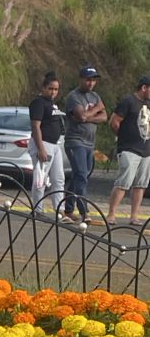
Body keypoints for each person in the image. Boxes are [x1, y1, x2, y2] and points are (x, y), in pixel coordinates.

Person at [63, 65, 107, 227]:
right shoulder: (74, 97)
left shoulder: (95, 96)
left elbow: (104, 116)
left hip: (89, 142)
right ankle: (84, 211)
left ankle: (68, 210)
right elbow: (81, 116)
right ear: (81, 79)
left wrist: (90, 115)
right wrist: (96, 110)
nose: (90, 83)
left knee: (80, 176)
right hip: (76, 141)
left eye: (93, 80)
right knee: (81, 174)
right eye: (88, 80)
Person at [108, 75, 150, 227]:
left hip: (146, 148)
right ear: (144, 88)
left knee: (141, 184)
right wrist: (122, 137)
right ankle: (111, 214)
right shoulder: (128, 101)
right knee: (123, 182)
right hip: (129, 148)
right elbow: (114, 121)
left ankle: (134, 216)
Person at [27, 71, 65, 215]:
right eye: (50, 88)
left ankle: (59, 209)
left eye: (56, 89)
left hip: (55, 145)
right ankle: (38, 209)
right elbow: (36, 126)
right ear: (43, 88)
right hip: (43, 143)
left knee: (58, 178)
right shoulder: (38, 103)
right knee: (40, 179)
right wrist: (41, 149)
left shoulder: (52, 103)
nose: (53, 92)